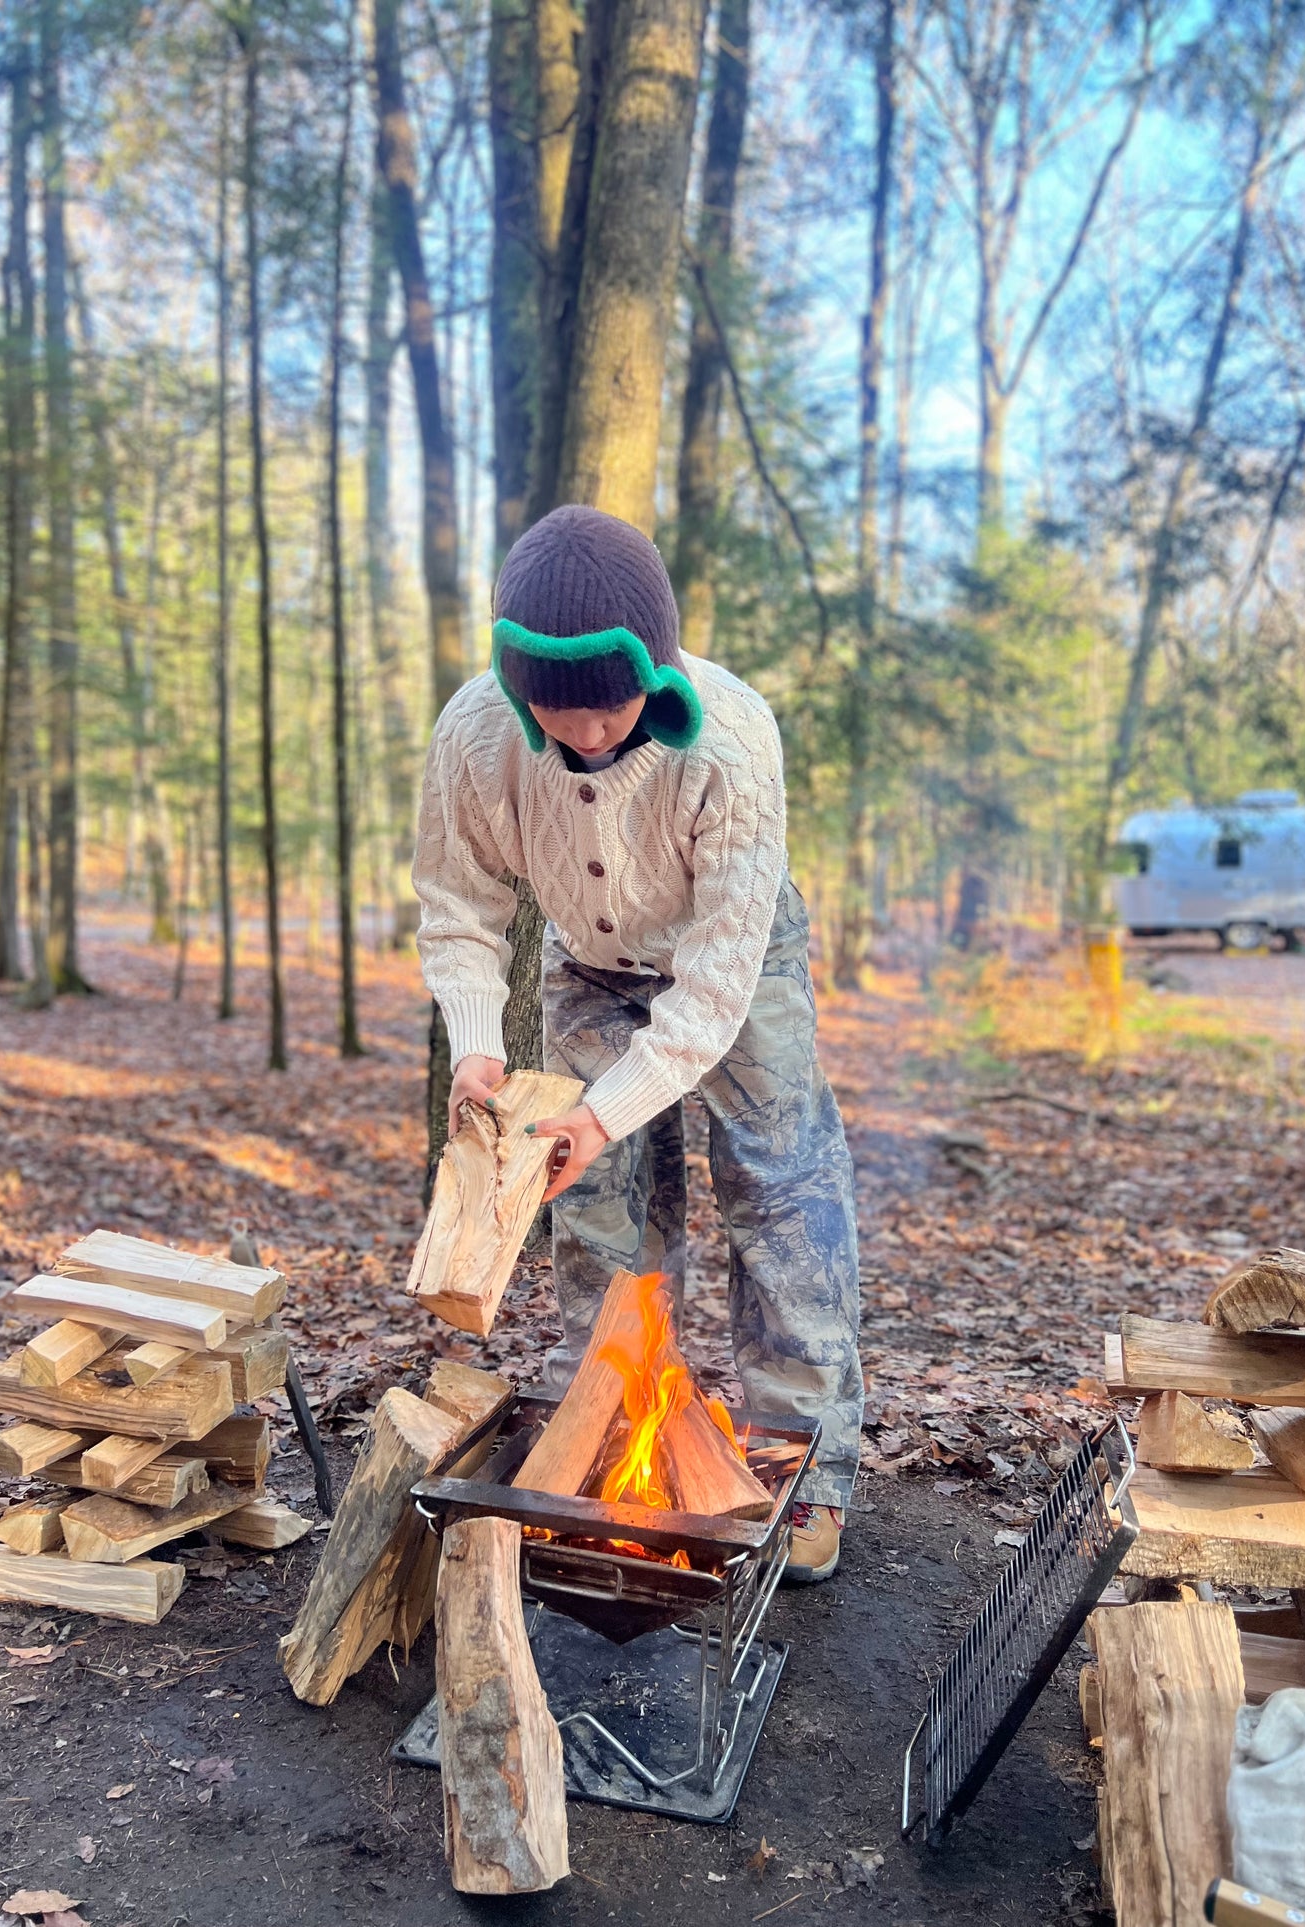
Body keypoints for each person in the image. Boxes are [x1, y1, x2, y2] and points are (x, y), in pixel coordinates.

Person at [412, 504, 863, 1581]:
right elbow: (459, 910)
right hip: (583, 962)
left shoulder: (732, 741)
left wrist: (603, 1103)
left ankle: (804, 1467)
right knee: (594, 1201)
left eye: (609, 710)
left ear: (649, 669)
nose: (588, 737)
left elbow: (709, 998)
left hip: (728, 959)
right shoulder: (474, 736)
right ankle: (614, 1439)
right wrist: (479, 1044)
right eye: (558, 717)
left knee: (774, 1181)